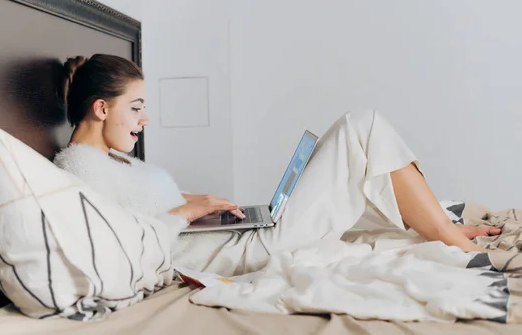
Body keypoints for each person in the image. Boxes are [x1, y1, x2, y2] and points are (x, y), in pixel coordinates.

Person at [53, 54, 500, 276]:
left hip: (239, 236)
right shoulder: (78, 170)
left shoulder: (112, 161)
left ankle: (440, 228)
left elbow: (148, 204)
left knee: (362, 195)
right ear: (101, 109)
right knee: (360, 128)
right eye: (137, 107)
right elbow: (121, 247)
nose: (145, 119)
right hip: (242, 254)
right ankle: (447, 235)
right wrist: (188, 212)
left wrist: (201, 205)